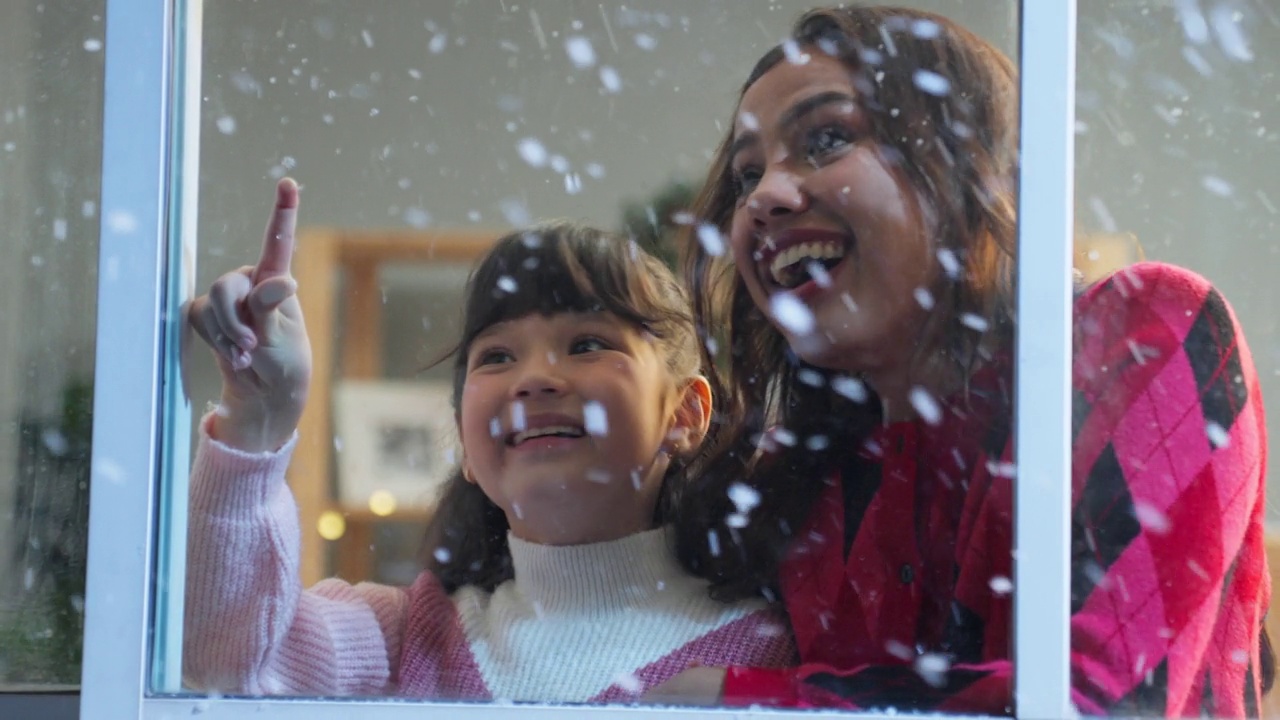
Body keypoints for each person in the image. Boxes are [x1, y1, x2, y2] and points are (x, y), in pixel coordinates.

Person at [661, 5, 1273, 717]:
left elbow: (1096, 704)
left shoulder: (1144, 330)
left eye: (827, 138)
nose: (763, 196)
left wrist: (752, 697)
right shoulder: (807, 480)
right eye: (745, 176)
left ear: (965, 166)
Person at [180, 179, 795, 702]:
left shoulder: (767, 657)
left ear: (685, 413)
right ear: (467, 450)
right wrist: (258, 420)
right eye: (497, 355)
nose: (533, 379)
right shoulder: (404, 639)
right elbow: (229, 664)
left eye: (587, 344)